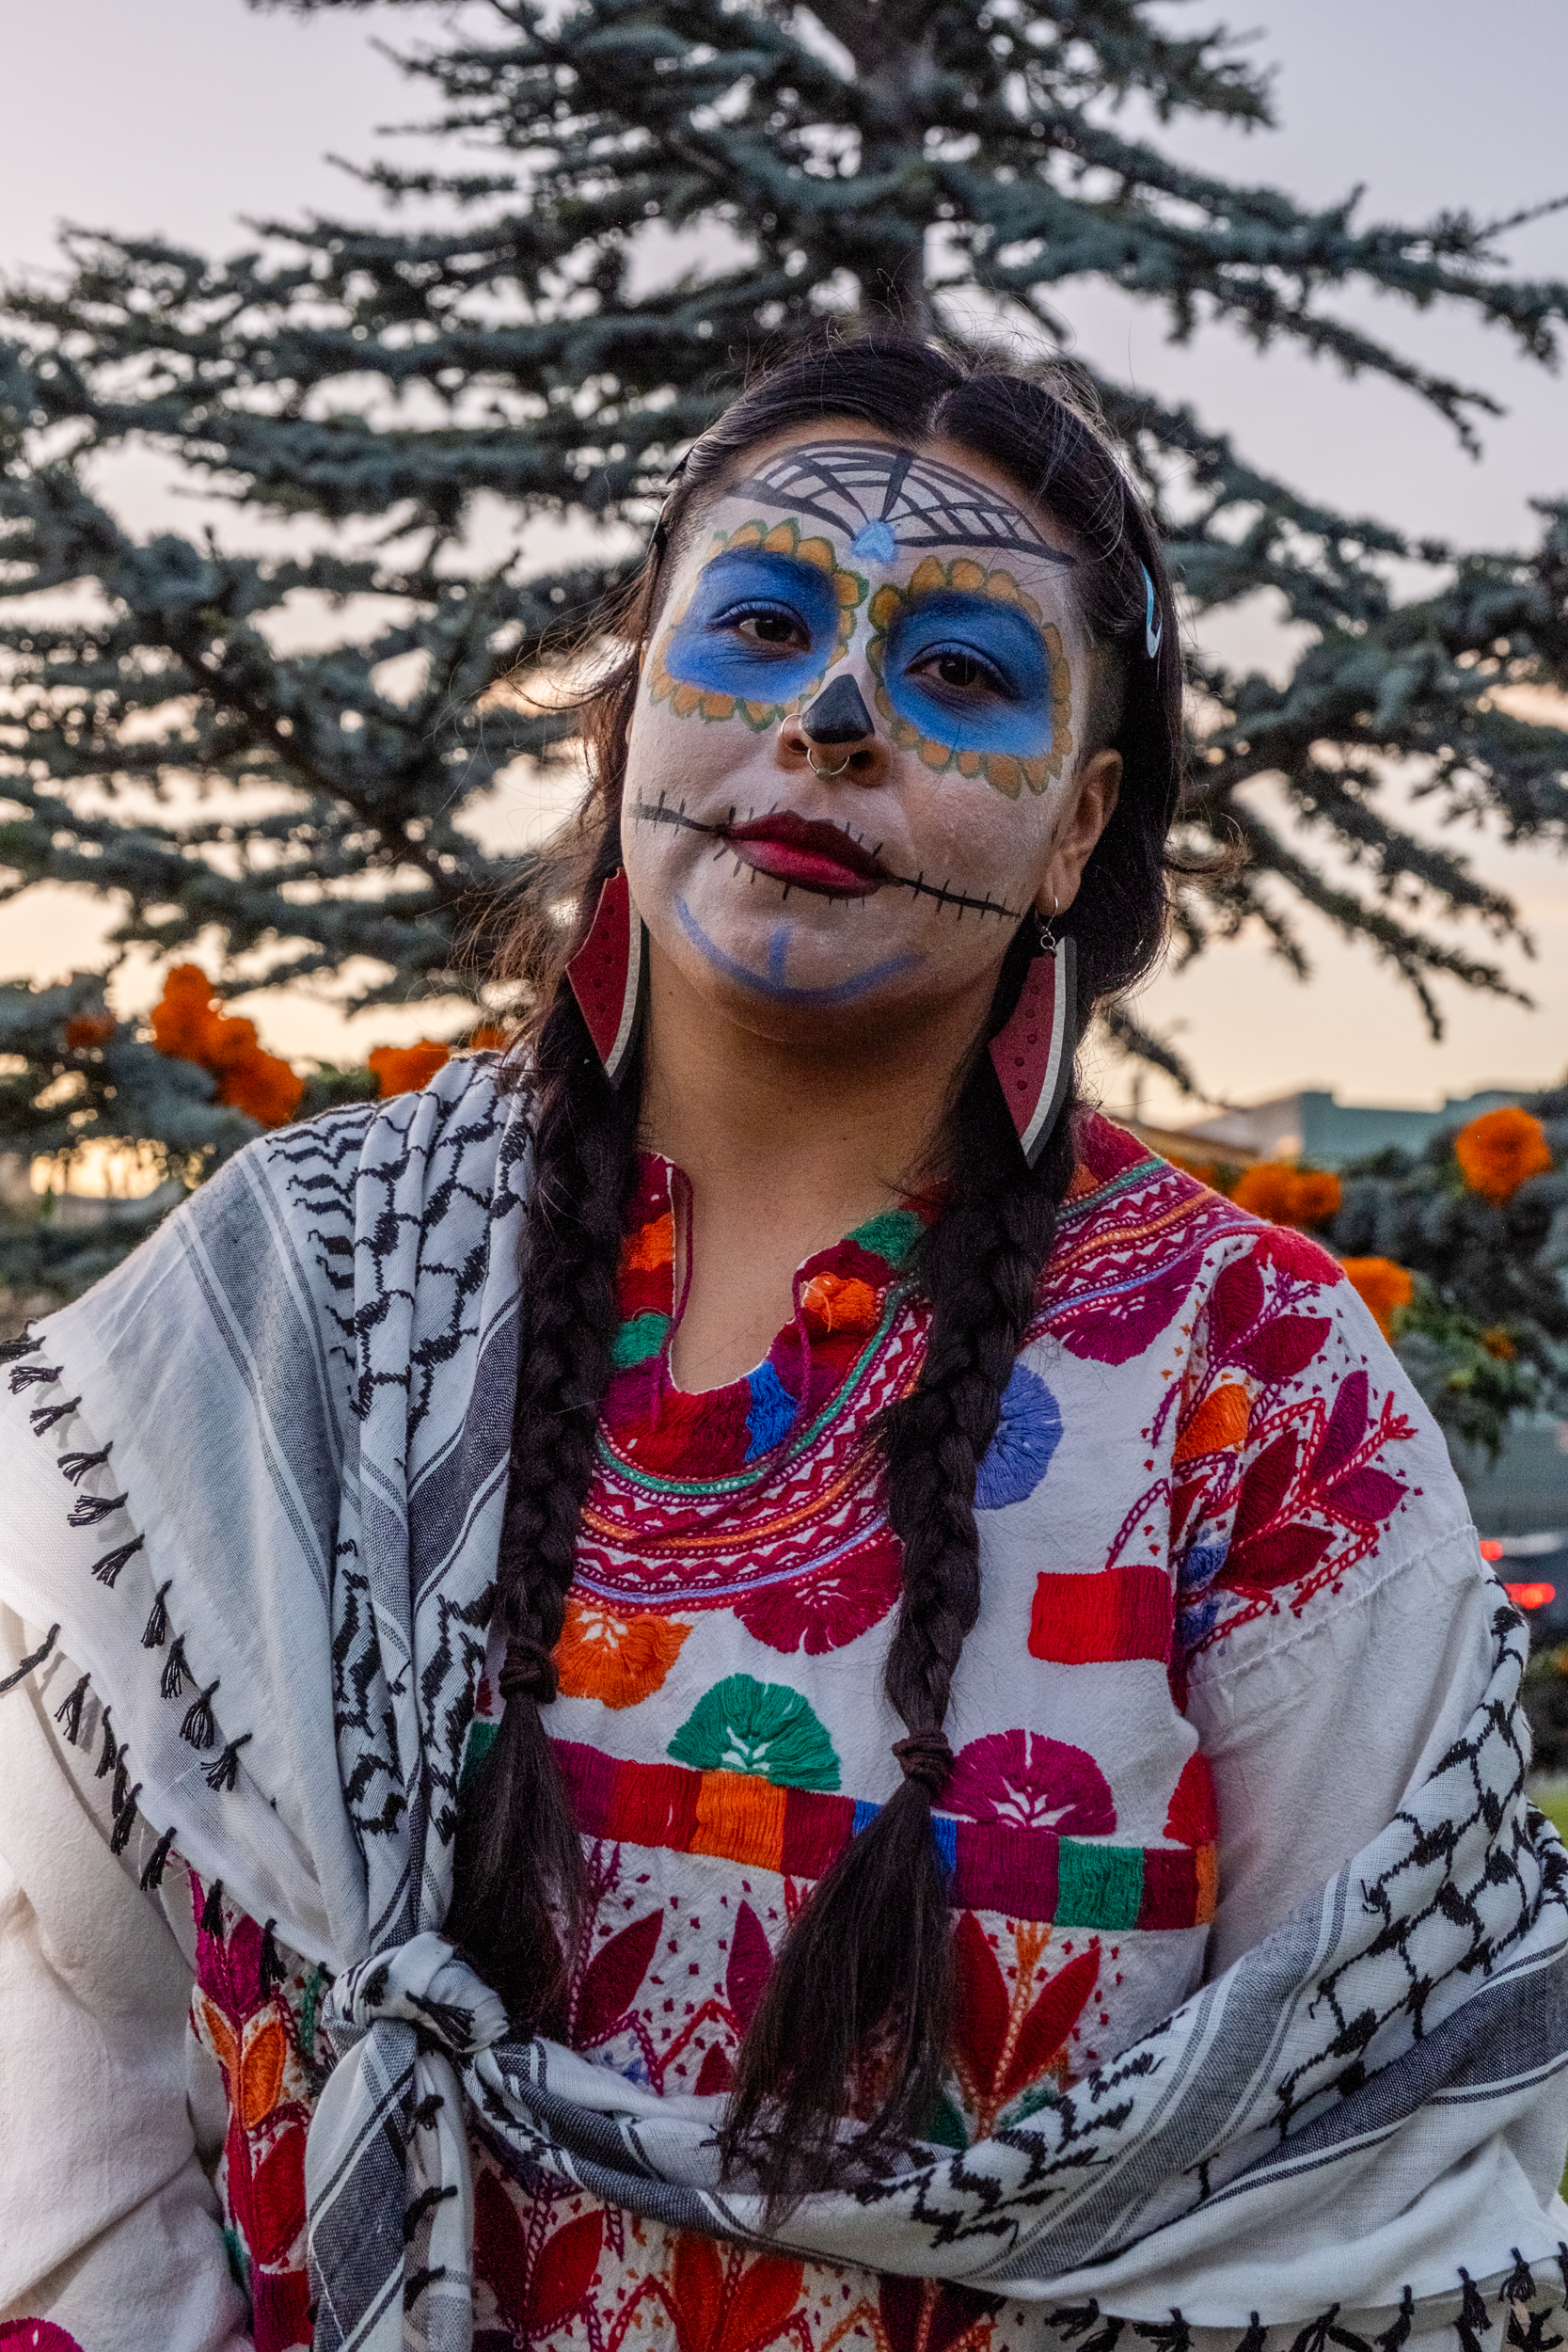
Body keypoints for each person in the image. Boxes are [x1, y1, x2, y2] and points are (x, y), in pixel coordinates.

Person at [0, 337, 1563, 2352]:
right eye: (759, 624)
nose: (829, 717)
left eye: (961, 674)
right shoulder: (289, 1290)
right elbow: (53, 1998)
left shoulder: (1258, 1391)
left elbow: (1392, 2165)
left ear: (1080, 829)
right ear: (633, 694)